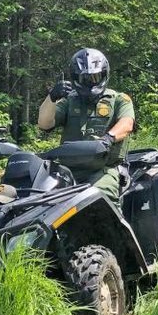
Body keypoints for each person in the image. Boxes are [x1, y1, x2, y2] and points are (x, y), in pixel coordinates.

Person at [38, 48, 135, 202]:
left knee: (98, 197)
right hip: (67, 171)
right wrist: (52, 97)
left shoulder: (118, 99)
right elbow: (44, 124)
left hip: (104, 169)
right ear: (75, 78)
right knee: (40, 198)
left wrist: (108, 138)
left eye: (95, 77)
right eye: (85, 79)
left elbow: (127, 123)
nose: (91, 82)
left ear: (104, 74)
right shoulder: (69, 100)